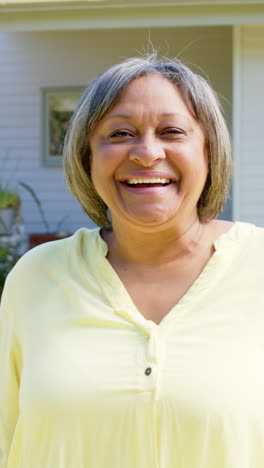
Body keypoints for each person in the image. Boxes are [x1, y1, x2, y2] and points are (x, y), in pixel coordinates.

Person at [1, 54, 264, 468]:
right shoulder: (36, 277)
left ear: (210, 152)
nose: (146, 153)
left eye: (172, 131)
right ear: (87, 157)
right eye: (120, 133)